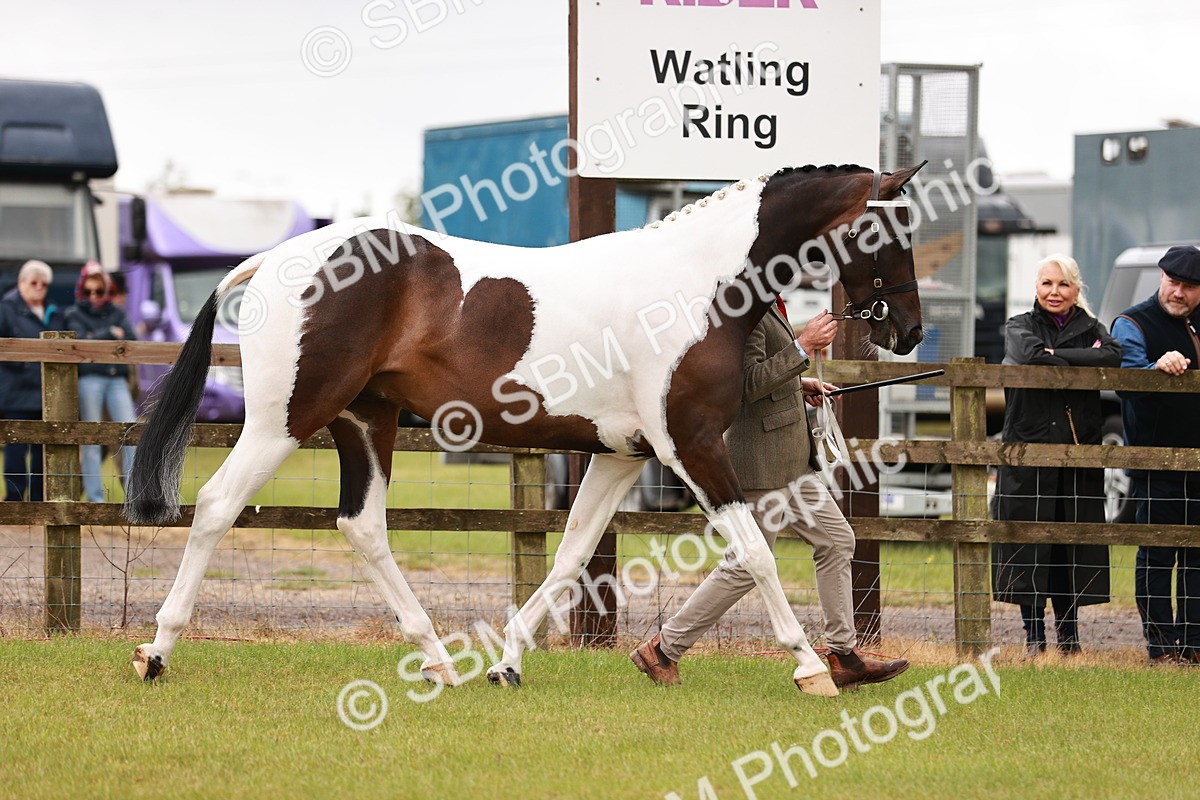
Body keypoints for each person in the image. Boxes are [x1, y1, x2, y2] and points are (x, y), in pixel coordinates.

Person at [630, 305, 910, 689]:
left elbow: (770, 374)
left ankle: (844, 656)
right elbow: (743, 383)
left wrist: (801, 384)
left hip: (792, 463)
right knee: (745, 566)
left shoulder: (771, 301)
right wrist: (803, 346)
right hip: (762, 463)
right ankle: (663, 649)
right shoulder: (748, 308)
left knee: (836, 540)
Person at [991, 255, 1119, 656]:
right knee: (1029, 542)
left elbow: (1111, 356)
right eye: (1047, 284)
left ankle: (1070, 637)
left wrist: (1058, 355)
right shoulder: (1019, 326)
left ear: (1076, 290)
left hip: (1077, 450)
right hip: (1027, 448)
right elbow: (1030, 355)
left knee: (1071, 543)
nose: (1054, 292)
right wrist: (1074, 356)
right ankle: (1034, 638)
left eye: (1063, 285)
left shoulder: (1094, 328)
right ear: (1036, 287)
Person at [1111, 245, 1200, 665]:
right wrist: (1157, 368)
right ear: (1161, 277)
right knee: (1158, 556)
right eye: (1173, 282)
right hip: (1156, 463)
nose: (1179, 292)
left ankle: (1195, 646)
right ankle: (1162, 649)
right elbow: (1127, 379)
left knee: (1198, 558)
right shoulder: (1132, 322)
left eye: (1189, 286)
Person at [64, 262, 138, 502]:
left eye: (98, 291)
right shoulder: (72, 314)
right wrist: (110, 334)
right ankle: (95, 498)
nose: (93, 297)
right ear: (81, 291)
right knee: (91, 438)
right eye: (88, 292)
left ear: (107, 291)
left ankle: (135, 495)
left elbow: (131, 339)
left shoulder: (117, 312)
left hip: (116, 379)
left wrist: (98, 337)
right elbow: (84, 345)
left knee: (131, 433)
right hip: (90, 379)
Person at [0, 260, 64, 500]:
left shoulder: (54, 311)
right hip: (16, 391)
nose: (39, 287)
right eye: (33, 282)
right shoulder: (6, 309)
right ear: (21, 283)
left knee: (43, 449)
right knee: (16, 446)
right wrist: (23, 361)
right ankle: (15, 500)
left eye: (43, 284)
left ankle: (39, 500)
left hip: (46, 393)